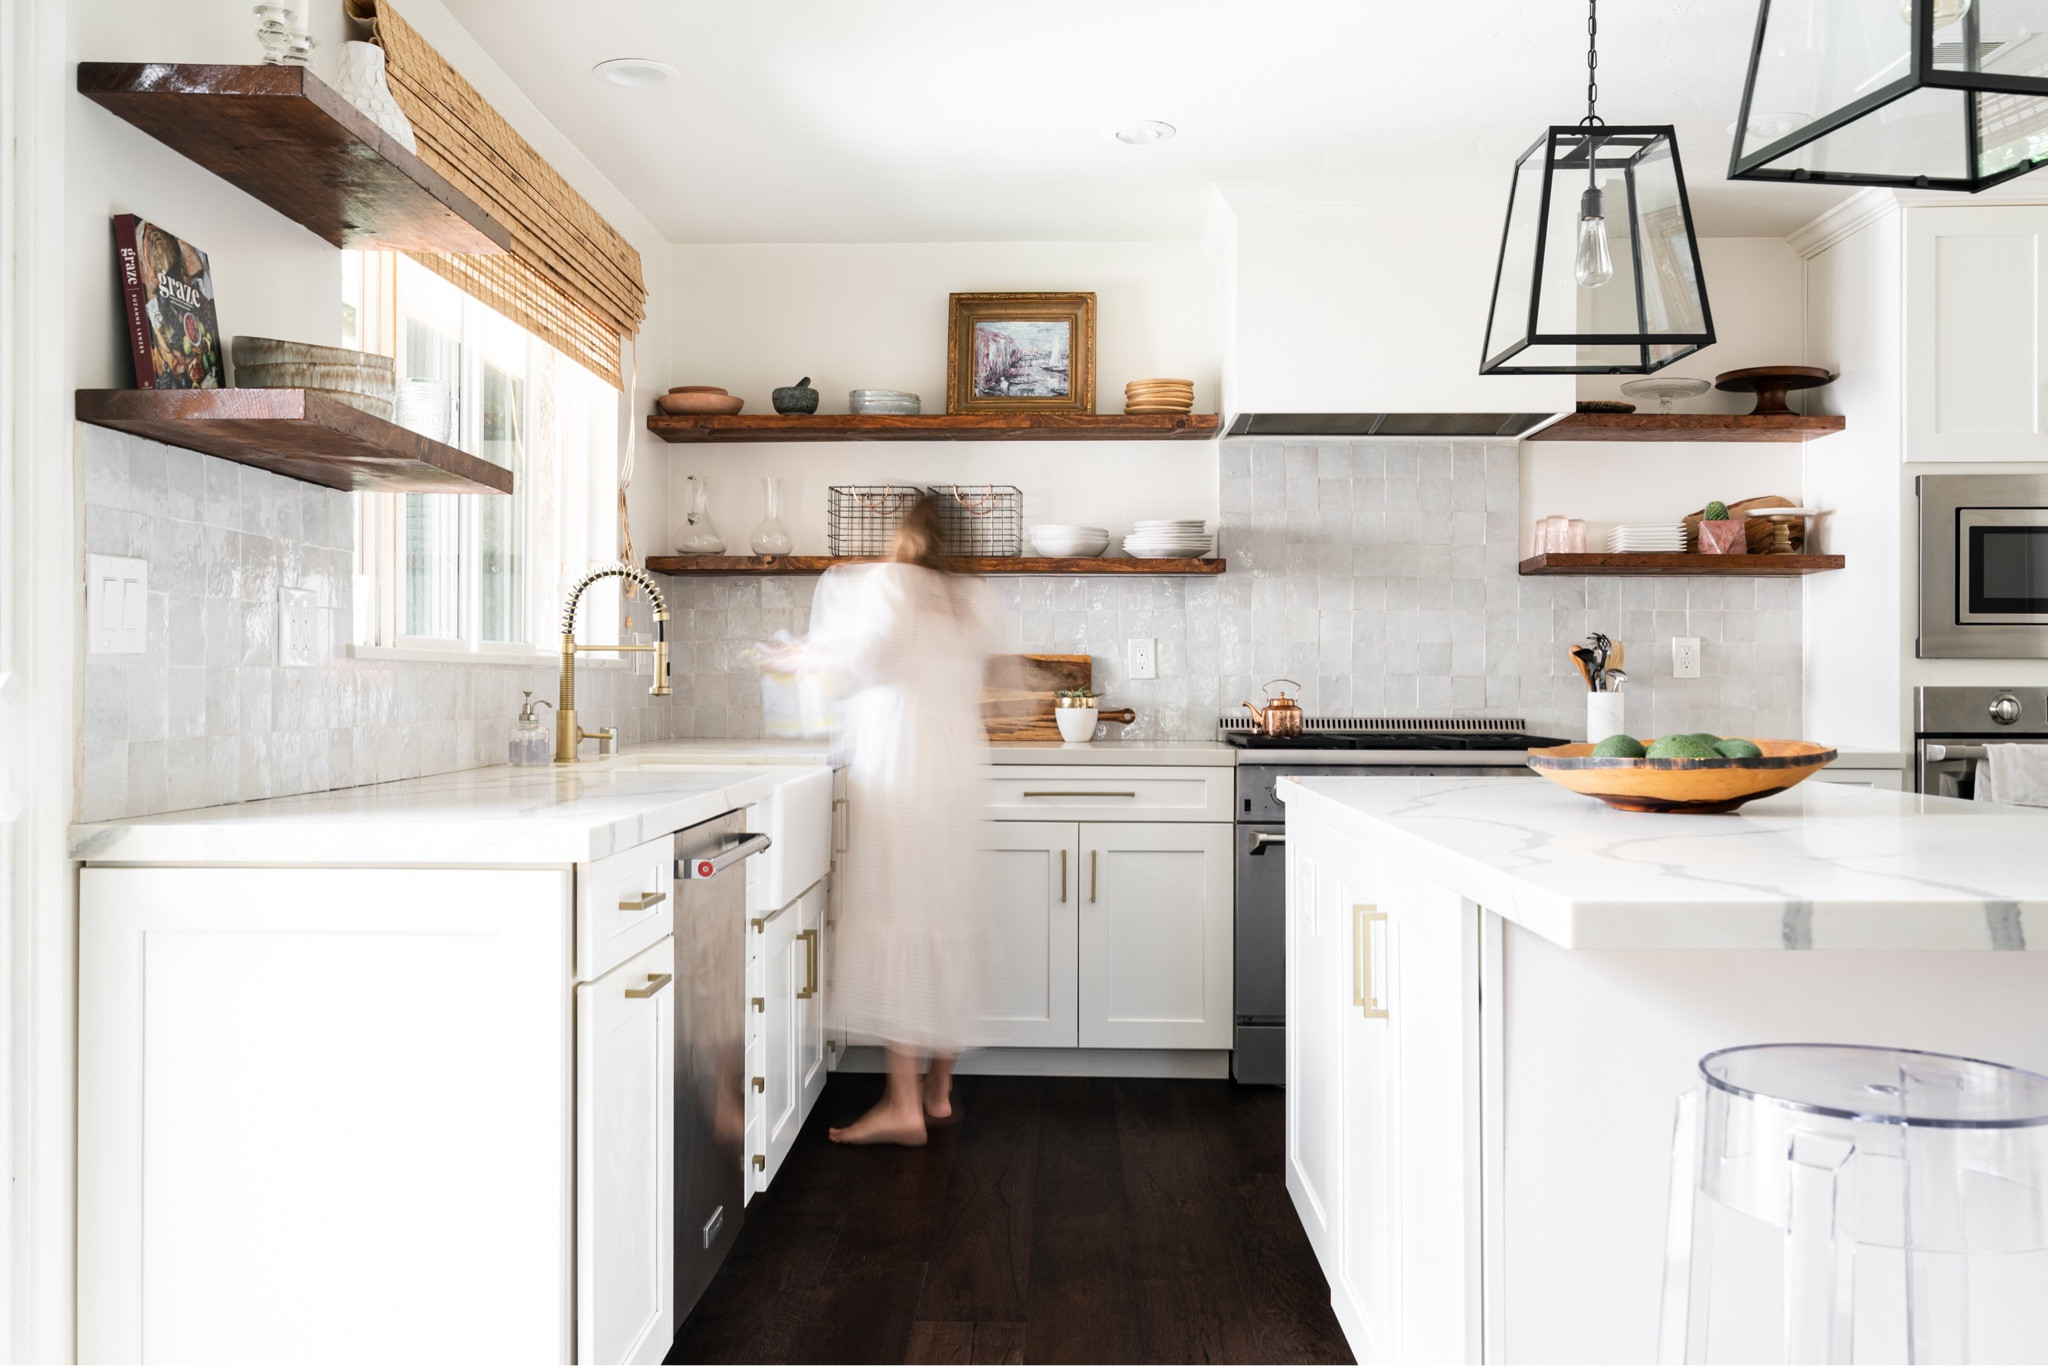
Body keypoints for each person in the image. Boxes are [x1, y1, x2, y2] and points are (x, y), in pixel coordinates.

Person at [769, 494, 995, 1145]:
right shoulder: (974, 599)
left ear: (906, 536)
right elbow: (993, 687)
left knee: (902, 915)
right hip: (960, 765)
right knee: (951, 917)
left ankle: (901, 1105)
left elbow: (859, 664)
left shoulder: (891, 583)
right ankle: (938, 1090)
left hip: (904, 763)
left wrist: (800, 658)